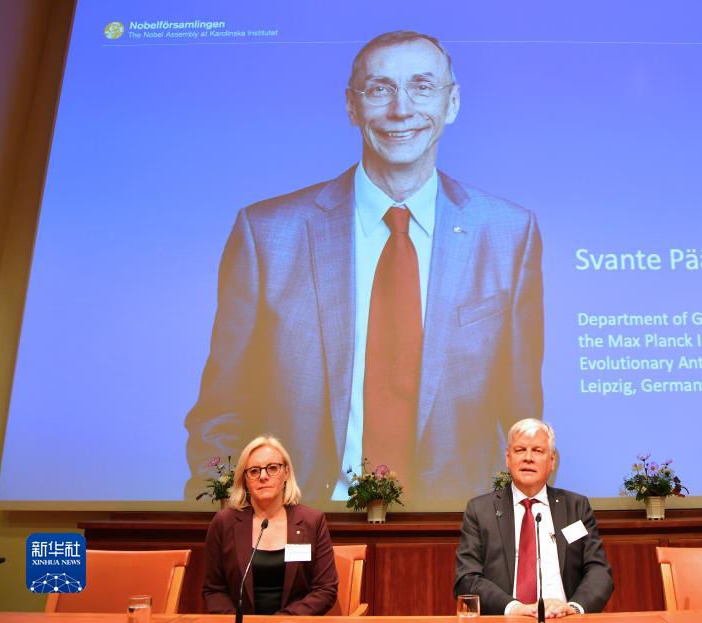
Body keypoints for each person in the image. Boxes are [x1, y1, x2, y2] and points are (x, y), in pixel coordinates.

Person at [184, 30, 543, 503]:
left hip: (454, 526)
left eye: (422, 86)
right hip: (302, 520)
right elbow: (221, 412)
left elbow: (523, 420)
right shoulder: (266, 234)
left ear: (452, 103)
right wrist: (234, 522)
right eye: (380, 89)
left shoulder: (509, 233)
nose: (401, 109)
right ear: (352, 106)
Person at [454, 419, 613, 616]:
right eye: (520, 450)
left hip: (564, 618)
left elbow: (598, 571)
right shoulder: (480, 511)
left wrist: (573, 608)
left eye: (537, 451)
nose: (528, 458)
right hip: (506, 619)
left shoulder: (575, 508)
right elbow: (467, 578)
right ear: (508, 458)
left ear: (552, 461)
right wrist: (514, 608)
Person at [203, 435, 337, 615]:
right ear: (245, 479)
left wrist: (282, 620)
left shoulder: (312, 522)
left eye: (272, 468)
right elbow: (214, 590)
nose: (263, 476)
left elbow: (325, 589)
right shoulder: (224, 523)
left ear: (286, 473)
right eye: (254, 471)